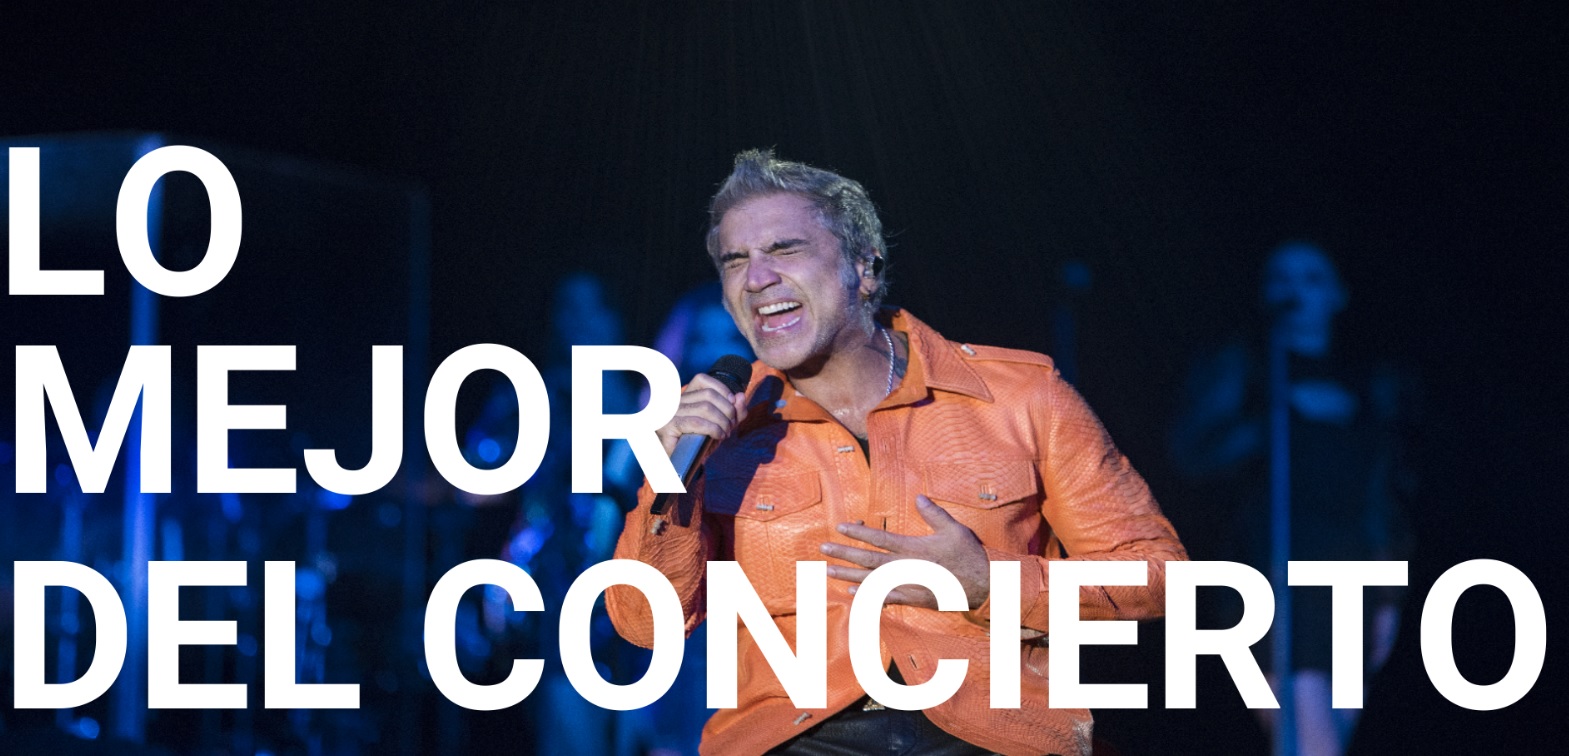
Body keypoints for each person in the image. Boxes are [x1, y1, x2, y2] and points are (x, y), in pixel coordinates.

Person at [608, 149, 1186, 756]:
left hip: (992, 734)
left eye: (784, 249)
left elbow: (1160, 578)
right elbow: (645, 625)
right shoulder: (716, 434)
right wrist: (668, 478)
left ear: (864, 267)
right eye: (735, 261)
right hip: (795, 740)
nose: (756, 279)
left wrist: (986, 582)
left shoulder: (1022, 398)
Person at [1170, 241, 1414, 756]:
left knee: (1324, 736)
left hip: (1351, 573)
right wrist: (1276, 416)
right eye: (1281, 278)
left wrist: (1390, 593)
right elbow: (1193, 456)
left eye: (1311, 278)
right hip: (1270, 570)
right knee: (1308, 731)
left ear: (1338, 294)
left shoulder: (1372, 383)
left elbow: (1388, 494)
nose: (1295, 291)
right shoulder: (1246, 367)